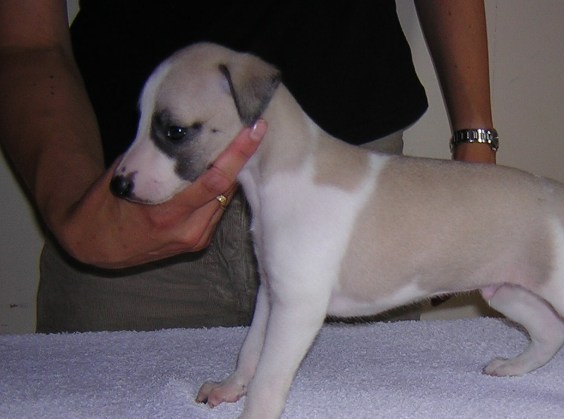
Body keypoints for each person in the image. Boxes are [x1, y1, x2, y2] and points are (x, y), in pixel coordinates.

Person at [0, 0, 497, 332]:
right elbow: (26, 41)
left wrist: (475, 146)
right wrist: (70, 212)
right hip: (127, 221)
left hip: (354, 197)